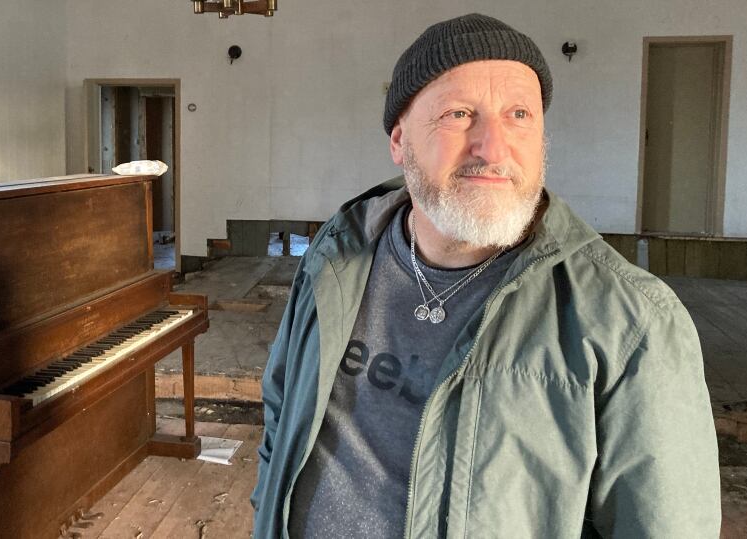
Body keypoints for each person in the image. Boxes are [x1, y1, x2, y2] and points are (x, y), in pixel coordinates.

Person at [251, 13, 721, 538]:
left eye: (519, 114)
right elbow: (281, 410)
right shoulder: (336, 256)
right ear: (400, 140)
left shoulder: (632, 322)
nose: (493, 148)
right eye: (458, 114)